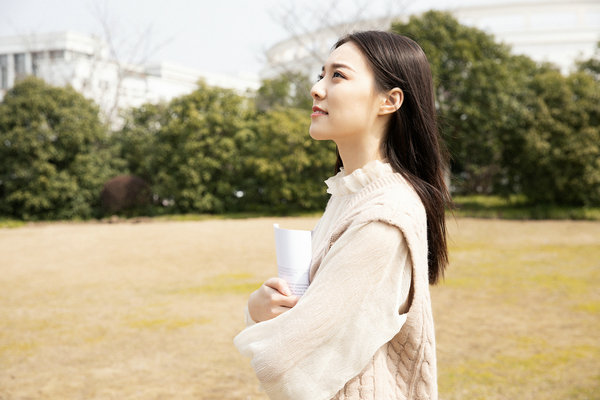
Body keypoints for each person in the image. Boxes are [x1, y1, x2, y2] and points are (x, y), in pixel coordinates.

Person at [234, 30, 451, 400]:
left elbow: (282, 363)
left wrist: (256, 318)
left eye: (338, 75)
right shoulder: (351, 193)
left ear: (389, 100)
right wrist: (263, 307)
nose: (317, 89)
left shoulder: (384, 217)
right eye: (322, 74)